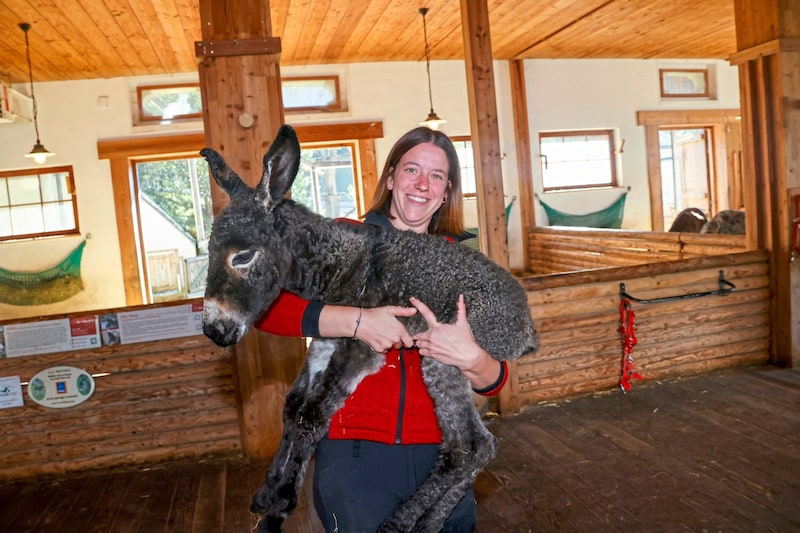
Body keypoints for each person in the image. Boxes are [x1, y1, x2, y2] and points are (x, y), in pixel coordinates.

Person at [255, 126, 509, 532]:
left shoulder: (465, 268)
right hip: (356, 456)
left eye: (437, 176)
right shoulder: (343, 239)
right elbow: (261, 304)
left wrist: (474, 359)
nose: (422, 185)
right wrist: (357, 322)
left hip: (443, 455)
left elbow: (495, 380)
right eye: (411, 169)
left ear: (447, 193)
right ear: (391, 178)